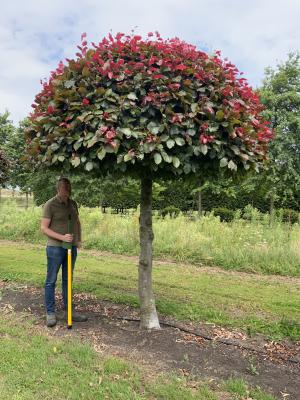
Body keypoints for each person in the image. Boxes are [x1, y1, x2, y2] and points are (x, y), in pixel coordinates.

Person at [41, 177, 87, 327]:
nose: (67, 191)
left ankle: (69, 312)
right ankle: (50, 313)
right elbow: (44, 228)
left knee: (68, 280)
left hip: (71, 248)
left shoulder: (73, 204)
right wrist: (62, 237)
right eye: (64, 188)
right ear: (58, 189)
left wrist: (78, 240)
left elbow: (77, 222)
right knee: (51, 280)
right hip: (55, 248)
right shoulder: (50, 204)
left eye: (69, 188)